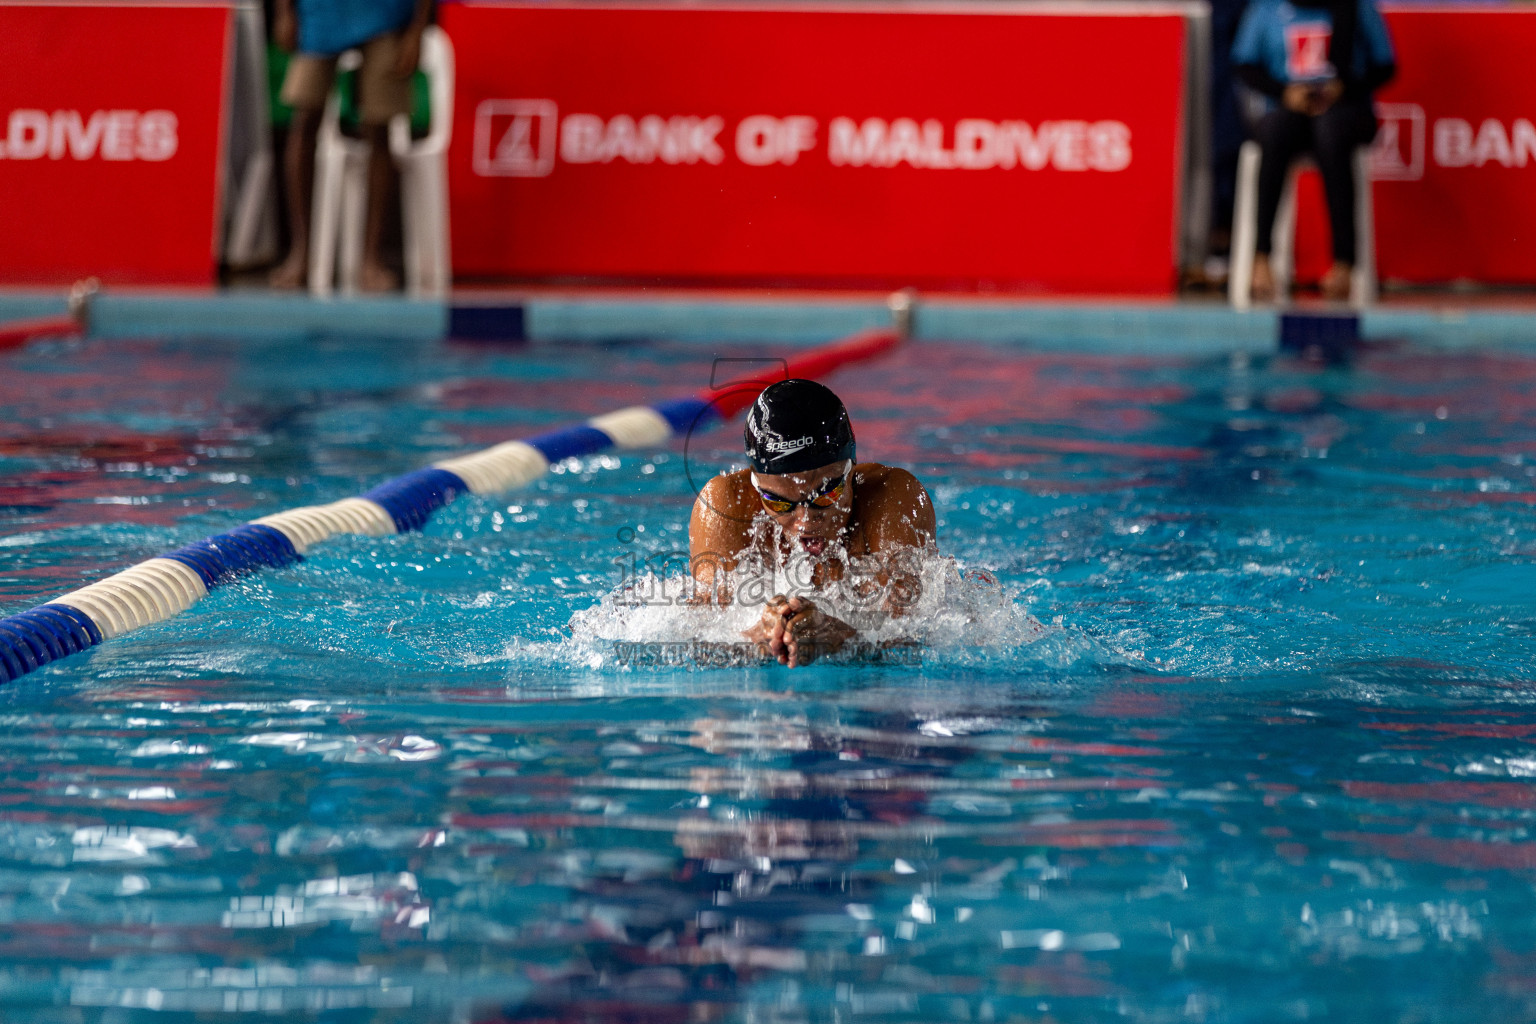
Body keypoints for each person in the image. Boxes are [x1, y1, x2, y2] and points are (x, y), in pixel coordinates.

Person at [688, 380, 937, 668]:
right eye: (779, 503)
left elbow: (916, 637)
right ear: (757, 485)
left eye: (826, 493)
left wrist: (842, 637)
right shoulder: (725, 505)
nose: (806, 521)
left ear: (851, 467)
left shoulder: (892, 499)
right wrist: (758, 637)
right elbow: (698, 637)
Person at [1233, 0, 1395, 301]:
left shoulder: (1356, 7)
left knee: (1331, 132)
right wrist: (1284, 93)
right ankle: (1262, 259)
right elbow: (1244, 64)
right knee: (1274, 131)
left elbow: (1385, 65)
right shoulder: (1267, 8)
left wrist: (1343, 88)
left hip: (1346, 111)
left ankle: (1344, 264)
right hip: (1288, 107)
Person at [269, 0, 434, 292]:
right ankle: (301, 252)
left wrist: (417, 29)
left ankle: (371, 259)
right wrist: (284, 11)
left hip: (387, 15)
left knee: (379, 128)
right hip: (321, 13)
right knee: (304, 120)